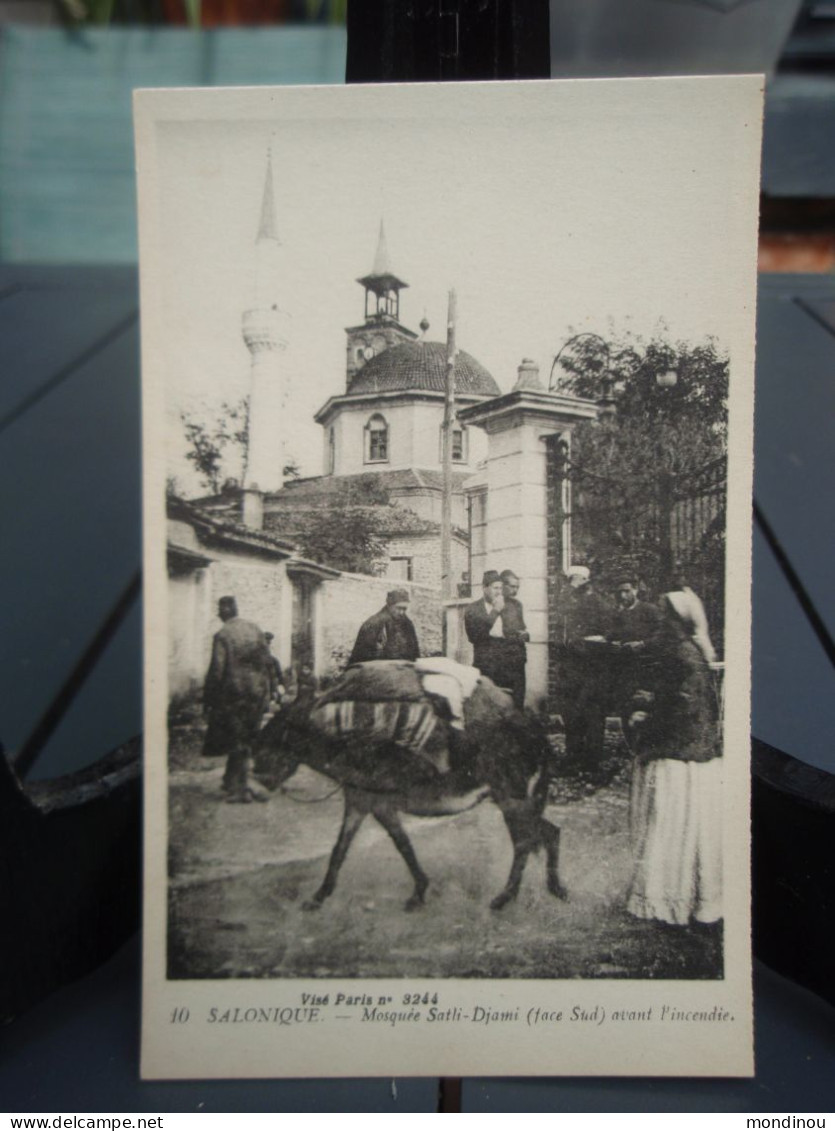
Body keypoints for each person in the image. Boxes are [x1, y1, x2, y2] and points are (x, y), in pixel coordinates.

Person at [625, 590, 722, 926]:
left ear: (679, 622)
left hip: (680, 757)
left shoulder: (683, 654)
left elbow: (685, 709)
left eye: (665, 616)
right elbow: (676, 698)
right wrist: (652, 699)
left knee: (667, 822)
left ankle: (669, 899)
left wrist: (647, 717)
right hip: (683, 748)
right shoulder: (681, 652)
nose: (660, 621)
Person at [203, 596, 273, 803]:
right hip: (258, 693)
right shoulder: (255, 629)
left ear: (224, 612)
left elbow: (217, 669)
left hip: (234, 695)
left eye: (219, 610)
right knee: (247, 737)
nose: (218, 613)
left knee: (237, 739)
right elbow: (267, 662)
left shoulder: (223, 634)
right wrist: (267, 692)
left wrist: (209, 698)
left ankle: (240, 790)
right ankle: (230, 779)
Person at [556, 566, 611, 767]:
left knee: (593, 712)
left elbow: (607, 633)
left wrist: (591, 641)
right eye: (570, 581)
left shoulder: (596, 601)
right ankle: (574, 755)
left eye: (576, 581)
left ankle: (592, 759)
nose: (572, 586)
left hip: (592, 665)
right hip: (573, 665)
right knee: (572, 712)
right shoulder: (570, 601)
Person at [608, 574, 664, 727]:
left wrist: (643, 644)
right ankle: (630, 745)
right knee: (626, 706)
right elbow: (611, 635)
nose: (623, 595)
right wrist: (613, 643)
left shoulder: (650, 610)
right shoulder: (617, 614)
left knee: (645, 707)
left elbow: (662, 635)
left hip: (647, 667)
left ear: (636, 590)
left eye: (626, 591)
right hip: (625, 668)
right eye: (619, 592)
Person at [348, 589, 420, 665]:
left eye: (404, 609)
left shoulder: (407, 624)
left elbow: (414, 653)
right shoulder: (373, 624)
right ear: (389, 605)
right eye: (398, 608)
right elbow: (361, 658)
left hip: (403, 669)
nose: (402, 612)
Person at [464, 570, 508, 692]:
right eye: (495, 588)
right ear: (484, 588)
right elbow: (475, 636)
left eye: (501, 588)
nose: (499, 592)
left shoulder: (507, 607)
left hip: (506, 668)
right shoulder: (472, 609)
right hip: (485, 667)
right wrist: (495, 611)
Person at [496, 570, 530, 710]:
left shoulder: (517, 605)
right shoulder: (496, 603)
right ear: (503, 585)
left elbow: (521, 627)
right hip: (502, 656)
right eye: (512, 586)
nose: (515, 590)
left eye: (517, 587)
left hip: (518, 655)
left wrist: (525, 634)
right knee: (502, 695)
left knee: (518, 695)